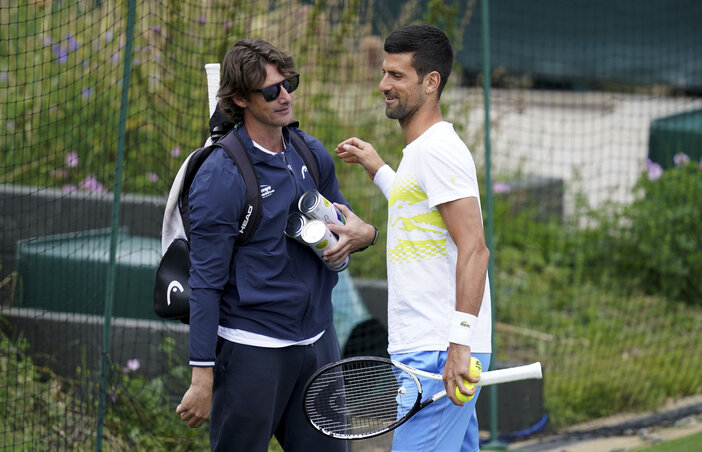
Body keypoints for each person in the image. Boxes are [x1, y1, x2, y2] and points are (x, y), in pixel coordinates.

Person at [175, 38, 377, 452]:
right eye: (271, 91)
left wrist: (363, 236)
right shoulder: (220, 177)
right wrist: (202, 375)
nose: (285, 96)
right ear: (240, 100)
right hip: (253, 352)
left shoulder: (311, 151)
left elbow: (347, 222)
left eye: (289, 84)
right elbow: (206, 282)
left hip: (318, 344)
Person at [332, 25, 493, 452]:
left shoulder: (438, 149)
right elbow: (422, 209)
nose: (384, 85)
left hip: (439, 352)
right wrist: (379, 169)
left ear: (431, 81)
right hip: (426, 348)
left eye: (397, 76)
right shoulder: (419, 154)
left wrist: (459, 345)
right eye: (385, 73)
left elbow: (475, 248)